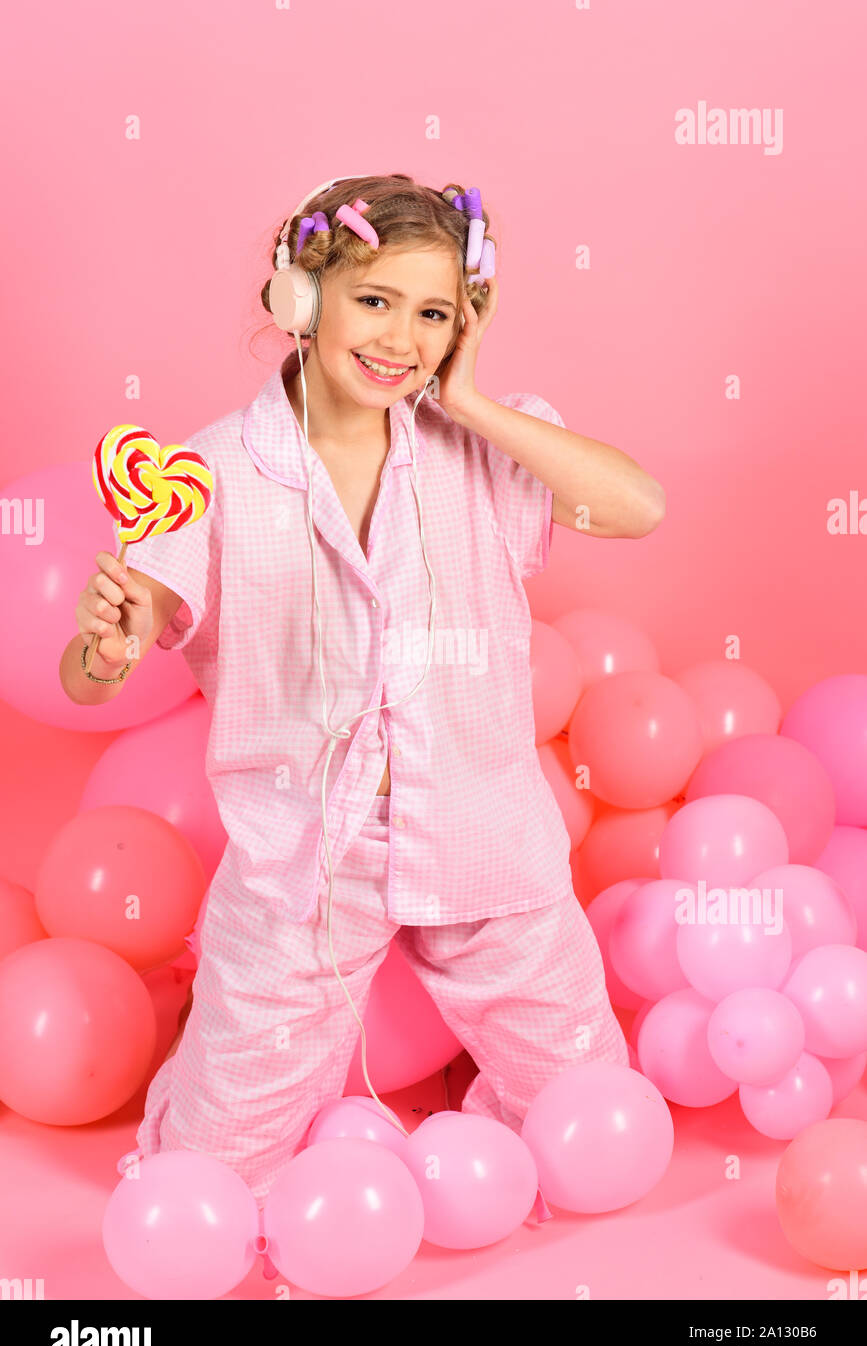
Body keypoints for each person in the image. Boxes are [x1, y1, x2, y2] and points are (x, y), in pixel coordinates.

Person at [60, 173, 665, 1209]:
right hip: (302, 871)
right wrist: (106, 646)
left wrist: (467, 396)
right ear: (303, 298)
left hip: (486, 845)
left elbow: (637, 504)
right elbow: (93, 670)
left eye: (433, 313)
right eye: (375, 300)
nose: (401, 338)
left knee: (591, 1123)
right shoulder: (209, 474)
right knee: (206, 1175)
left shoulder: (480, 446)